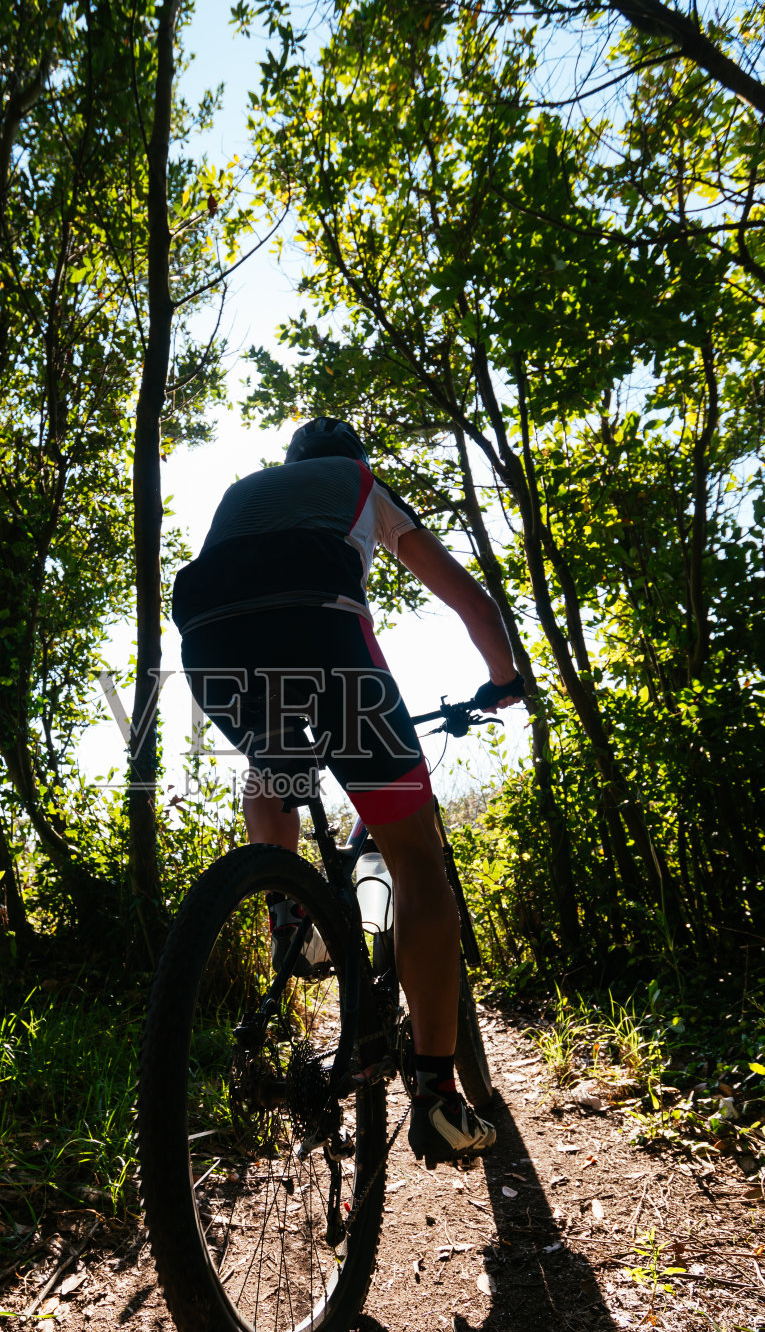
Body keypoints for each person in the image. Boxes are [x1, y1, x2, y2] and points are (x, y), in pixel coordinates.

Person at [172, 417, 523, 1167]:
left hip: (209, 640)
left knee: (273, 757)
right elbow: (473, 603)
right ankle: (437, 1097)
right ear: (353, 459)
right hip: (322, 634)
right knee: (417, 863)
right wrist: (504, 681)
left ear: (289, 459)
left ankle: (284, 901)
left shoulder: (243, 490)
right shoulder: (359, 482)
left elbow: (237, 585)